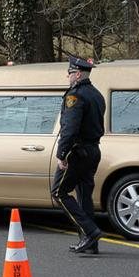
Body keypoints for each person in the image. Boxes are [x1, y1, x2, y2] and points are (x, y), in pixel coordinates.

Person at [51, 56, 106, 254]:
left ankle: (89, 232)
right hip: (93, 150)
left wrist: (62, 154)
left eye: (70, 73)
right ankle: (90, 242)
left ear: (78, 74)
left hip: (77, 151)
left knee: (59, 192)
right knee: (84, 195)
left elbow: (70, 128)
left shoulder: (75, 96)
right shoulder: (97, 94)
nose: (68, 77)